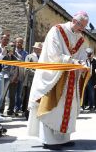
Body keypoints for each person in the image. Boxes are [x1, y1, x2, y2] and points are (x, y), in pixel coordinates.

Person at [27, 11, 89, 150]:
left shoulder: (80, 38)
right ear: (74, 20)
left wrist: (83, 65)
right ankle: (49, 140)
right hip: (54, 76)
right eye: (81, 26)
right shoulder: (57, 31)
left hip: (71, 78)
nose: (82, 30)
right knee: (52, 108)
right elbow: (53, 54)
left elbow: (82, 56)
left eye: (84, 27)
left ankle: (63, 139)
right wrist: (73, 62)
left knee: (67, 108)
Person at [0, 34, 12, 122]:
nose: (6, 41)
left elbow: (13, 62)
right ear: (1, 39)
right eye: (4, 39)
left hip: (7, 74)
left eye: (7, 40)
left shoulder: (8, 49)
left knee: (3, 94)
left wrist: (10, 55)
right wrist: (2, 53)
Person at [21, 42, 43, 119]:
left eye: (40, 49)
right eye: (38, 48)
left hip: (40, 81)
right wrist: (36, 73)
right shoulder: (29, 57)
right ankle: (27, 113)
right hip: (30, 80)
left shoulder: (42, 57)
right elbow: (27, 69)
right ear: (34, 48)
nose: (39, 50)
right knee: (29, 97)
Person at [84, 47, 96, 111]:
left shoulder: (94, 60)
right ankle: (83, 105)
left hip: (91, 79)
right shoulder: (84, 60)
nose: (89, 55)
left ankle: (91, 106)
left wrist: (92, 59)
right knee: (84, 93)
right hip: (84, 78)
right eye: (88, 54)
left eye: (90, 54)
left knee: (91, 93)